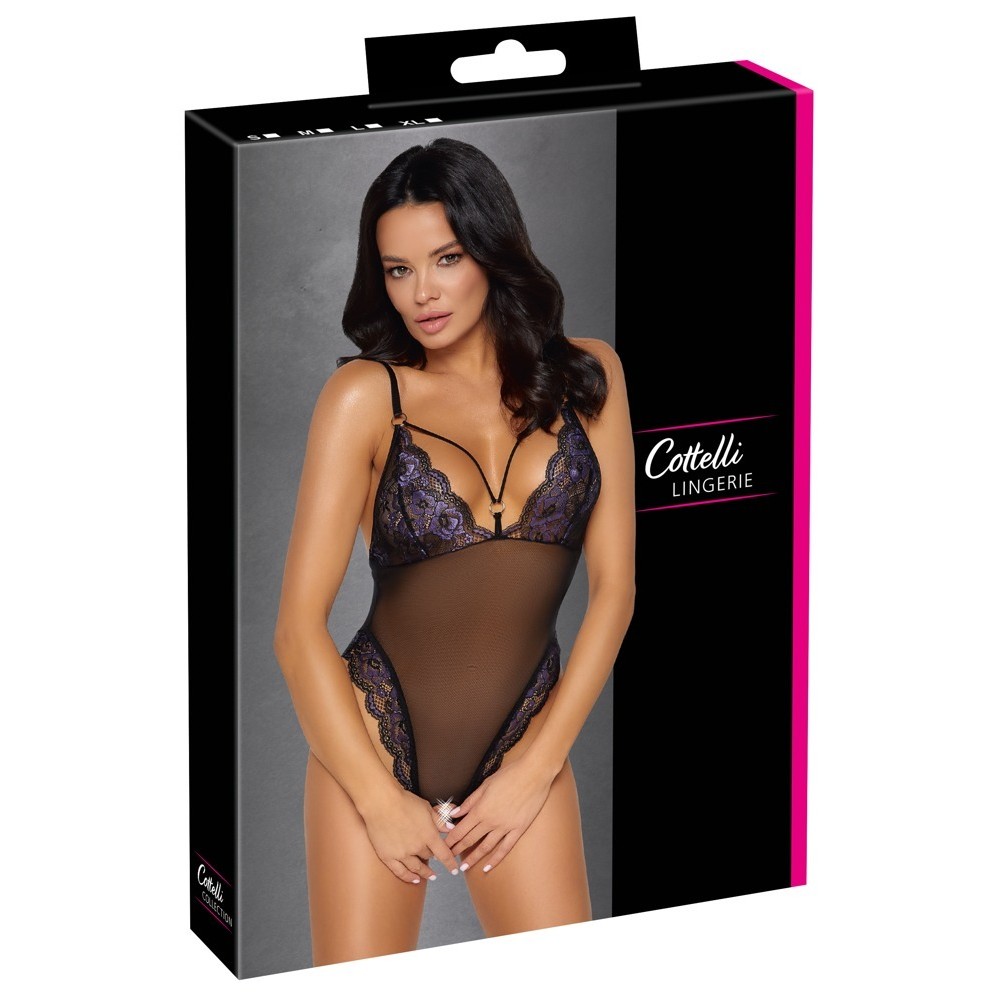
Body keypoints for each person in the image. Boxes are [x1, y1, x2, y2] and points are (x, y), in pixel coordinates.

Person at [273, 137, 635, 965]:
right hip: (373, 743)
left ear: (491, 250)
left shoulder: (591, 380)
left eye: (446, 258)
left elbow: (615, 591)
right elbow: (296, 630)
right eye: (398, 270)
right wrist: (377, 799)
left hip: (525, 741)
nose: (422, 293)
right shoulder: (366, 397)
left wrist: (537, 767)